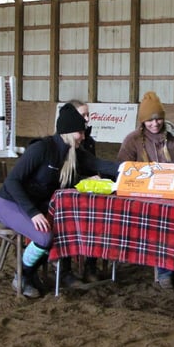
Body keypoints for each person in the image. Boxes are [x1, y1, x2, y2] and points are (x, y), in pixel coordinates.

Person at [0, 102, 121, 298]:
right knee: (45, 237)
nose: (84, 137)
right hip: (11, 203)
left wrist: (131, 170)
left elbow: (102, 165)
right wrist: (33, 213)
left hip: (35, 204)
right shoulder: (41, 148)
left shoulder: (73, 153)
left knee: (64, 228)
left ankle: (35, 272)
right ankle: (23, 275)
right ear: (69, 132)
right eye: (80, 132)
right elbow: (12, 181)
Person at [117, 91, 174, 289]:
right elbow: (122, 167)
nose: (155, 124)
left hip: (172, 194)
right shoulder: (132, 140)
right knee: (160, 224)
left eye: (158, 119)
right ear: (142, 121)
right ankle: (165, 271)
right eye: (149, 120)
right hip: (143, 198)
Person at [68, 99, 102, 284]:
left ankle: (90, 265)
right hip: (67, 197)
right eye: (83, 115)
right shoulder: (62, 144)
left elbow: (93, 167)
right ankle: (65, 270)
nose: (87, 119)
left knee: (97, 217)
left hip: (84, 196)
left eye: (88, 115)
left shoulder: (89, 142)